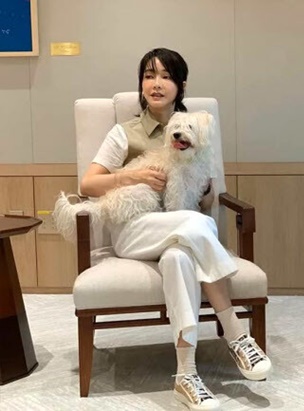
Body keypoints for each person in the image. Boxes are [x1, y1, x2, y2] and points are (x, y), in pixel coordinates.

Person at [80, 48, 271, 411]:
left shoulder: (196, 129)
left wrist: (206, 191)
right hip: (135, 231)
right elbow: (87, 184)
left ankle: (186, 375)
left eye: (166, 77)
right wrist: (132, 176)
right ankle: (235, 331)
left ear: (180, 85)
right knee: (199, 224)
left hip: (180, 232)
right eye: (149, 75)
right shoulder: (125, 133)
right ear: (141, 84)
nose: (156, 83)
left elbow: (206, 199)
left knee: (179, 258)